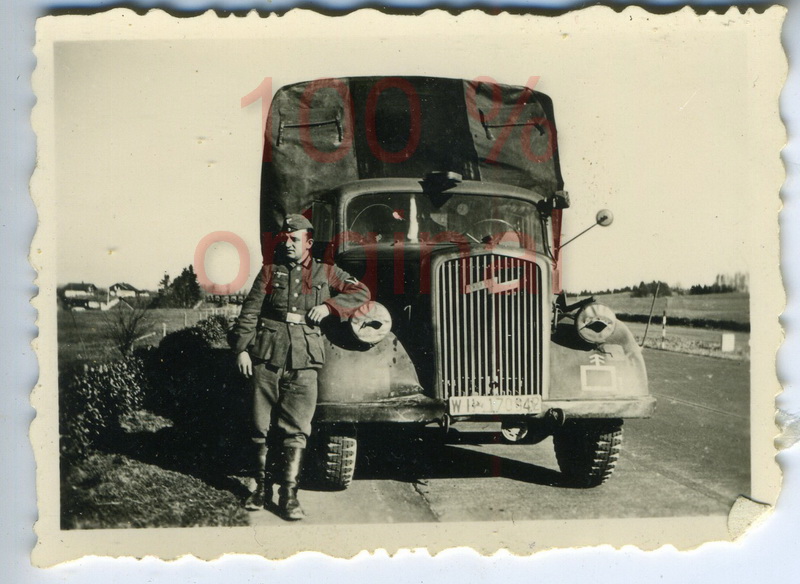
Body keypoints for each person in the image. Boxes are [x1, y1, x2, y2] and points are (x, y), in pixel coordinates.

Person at [229, 214, 370, 520]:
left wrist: (330, 307)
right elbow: (250, 312)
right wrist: (241, 350)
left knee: (297, 429)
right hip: (266, 356)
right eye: (285, 239)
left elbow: (361, 293)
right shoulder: (269, 271)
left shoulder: (326, 272)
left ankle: (289, 495)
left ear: (309, 243)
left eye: (295, 239)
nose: (288, 244)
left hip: (305, 360)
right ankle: (260, 489)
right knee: (259, 426)